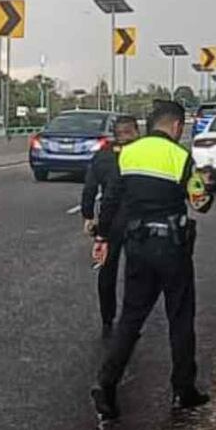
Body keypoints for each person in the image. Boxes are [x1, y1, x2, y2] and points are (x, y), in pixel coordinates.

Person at [90, 100, 214, 420]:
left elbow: (111, 200)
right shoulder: (181, 157)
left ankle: (106, 383)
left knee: (130, 318)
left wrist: (102, 237)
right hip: (172, 248)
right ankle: (183, 390)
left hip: (137, 246)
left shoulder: (128, 154)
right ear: (176, 126)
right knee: (180, 317)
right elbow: (200, 202)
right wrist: (206, 185)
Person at [81, 115, 141, 339]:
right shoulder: (143, 152)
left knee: (107, 269)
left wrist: (88, 216)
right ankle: (131, 321)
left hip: (110, 219)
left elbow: (90, 188)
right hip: (138, 219)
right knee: (136, 272)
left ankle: (107, 317)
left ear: (115, 133)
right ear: (136, 131)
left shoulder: (103, 154)